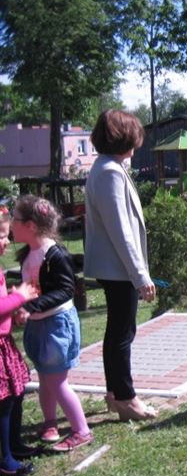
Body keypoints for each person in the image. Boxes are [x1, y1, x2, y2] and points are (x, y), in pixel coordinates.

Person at [85, 109, 158, 421]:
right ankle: (126, 399)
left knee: (118, 330)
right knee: (122, 333)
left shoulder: (108, 167)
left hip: (115, 268)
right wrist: (140, 275)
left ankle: (115, 394)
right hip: (118, 269)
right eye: (134, 136)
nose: (138, 143)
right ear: (123, 138)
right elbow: (120, 230)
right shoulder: (109, 173)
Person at [11, 196, 93, 452]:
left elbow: (65, 290)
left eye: (15, 219)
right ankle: (50, 424)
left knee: (57, 381)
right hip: (38, 325)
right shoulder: (29, 253)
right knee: (45, 378)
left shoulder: (55, 254)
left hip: (57, 325)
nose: (11, 224)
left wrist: (30, 307)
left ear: (31, 225)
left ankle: (81, 431)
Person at [0, 206, 38, 476]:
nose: (6, 241)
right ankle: (4, 457)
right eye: (1, 236)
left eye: (6, 235)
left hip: (4, 342)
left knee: (16, 392)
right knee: (4, 400)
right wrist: (19, 298)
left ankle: (13, 444)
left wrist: (15, 311)